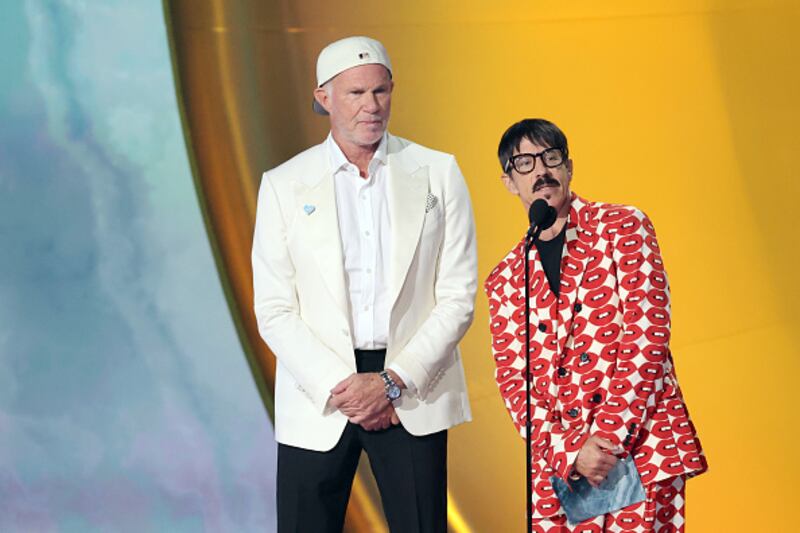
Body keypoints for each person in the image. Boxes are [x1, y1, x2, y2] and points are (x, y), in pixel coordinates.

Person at [251, 36, 477, 533]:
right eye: (355, 93)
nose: (371, 106)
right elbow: (274, 308)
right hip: (319, 392)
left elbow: (458, 297)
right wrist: (346, 388)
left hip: (412, 389)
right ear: (324, 97)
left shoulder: (438, 173)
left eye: (380, 91)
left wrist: (393, 382)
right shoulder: (284, 184)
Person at [485, 119, 707, 532]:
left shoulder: (622, 225)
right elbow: (515, 382)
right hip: (562, 471)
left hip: (639, 447)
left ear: (568, 166)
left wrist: (604, 443)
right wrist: (571, 452)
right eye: (525, 163)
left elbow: (647, 335)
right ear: (509, 182)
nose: (541, 171)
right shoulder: (505, 278)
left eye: (551, 157)